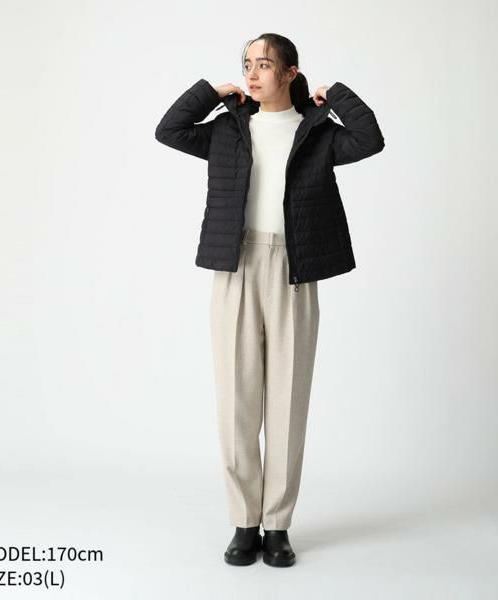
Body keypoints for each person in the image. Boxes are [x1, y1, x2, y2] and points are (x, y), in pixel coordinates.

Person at [155, 32, 385, 568]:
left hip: (295, 268)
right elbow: (169, 130)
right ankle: (243, 522)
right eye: (247, 64)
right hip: (235, 266)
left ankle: (277, 526)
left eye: (263, 64)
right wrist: (212, 92)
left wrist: (335, 94)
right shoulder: (227, 129)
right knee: (236, 399)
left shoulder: (318, 132)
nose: (252, 73)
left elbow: (370, 139)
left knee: (287, 400)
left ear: (290, 72)